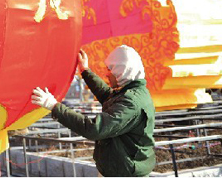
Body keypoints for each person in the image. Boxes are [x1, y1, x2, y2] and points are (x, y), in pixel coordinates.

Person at [31, 45, 155, 177]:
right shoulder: (131, 93)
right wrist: (85, 71)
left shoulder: (131, 102)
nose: (107, 73)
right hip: (120, 169)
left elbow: (94, 129)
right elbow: (107, 96)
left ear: (122, 71)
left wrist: (54, 106)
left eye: (110, 69)